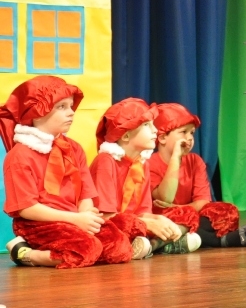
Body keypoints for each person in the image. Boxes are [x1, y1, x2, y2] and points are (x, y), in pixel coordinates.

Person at [1, 76, 142, 268]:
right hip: (37, 223)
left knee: (119, 247)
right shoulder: (19, 156)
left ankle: (70, 248)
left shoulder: (73, 148)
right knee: (86, 250)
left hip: (74, 217)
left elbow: (86, 194)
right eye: (62, 107)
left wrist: (85, 217)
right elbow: (27, 208)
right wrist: (75, 220)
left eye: (70, 106)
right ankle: (26, 253)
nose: (71, 112)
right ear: (37, 112)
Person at [91, 98, 201, 255]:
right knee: (112, 241)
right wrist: (147, 224)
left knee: (186, 215)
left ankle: (151, 246)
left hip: (135, 224)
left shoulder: (142, 163)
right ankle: (159, 245)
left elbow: (142, 212)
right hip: (111, 224)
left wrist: (158, 220)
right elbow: (107, 217)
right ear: (126, 136)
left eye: (153, 124)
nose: (155, 130)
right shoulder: (105, 161)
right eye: (146, 125)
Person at [151, 102, 246, 248]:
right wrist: (175, 158)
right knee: (169, 219)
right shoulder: (149, 164)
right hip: (165, 218)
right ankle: (219, 240)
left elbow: (202, 201)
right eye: (183, 132)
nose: (190, 138)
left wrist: (181, 208)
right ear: (163, 137)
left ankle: (182, 239)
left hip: (189, 213)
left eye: (192, 133)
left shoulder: (195, 161)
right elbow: (165, 198)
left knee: (227, 211)